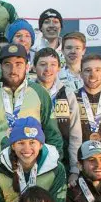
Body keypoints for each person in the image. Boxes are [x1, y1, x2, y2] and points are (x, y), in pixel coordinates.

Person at [0, 43, 63, 155]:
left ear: (27, 67)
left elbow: (53, 134)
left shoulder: (40, 93)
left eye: (19, 64)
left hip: (31, 163)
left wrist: (51, 163)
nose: (13, 70)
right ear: (0, 66)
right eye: (7, 64)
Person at [35, 47, 82, 178]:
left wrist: (74, 169)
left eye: (53, 65)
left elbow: (75, 134)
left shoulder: (67, 93)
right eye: (42, 64)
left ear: (59, 68)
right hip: (33, 160)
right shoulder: (28, 92)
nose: (48, 69)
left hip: (63, 161)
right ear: (33, 67)